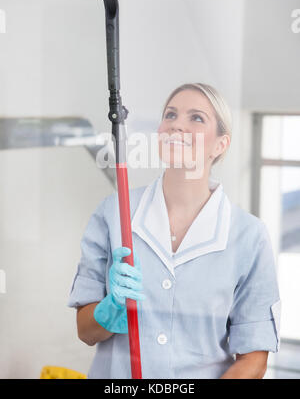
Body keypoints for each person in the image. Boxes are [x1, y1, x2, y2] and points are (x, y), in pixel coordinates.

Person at [68, 82, 281, 379]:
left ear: (220, 144)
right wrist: (110, 308)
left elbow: (254, 359)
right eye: (170, 115)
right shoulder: (114, 213)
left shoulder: (248, 236)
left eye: (196, 118)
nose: (177, 125)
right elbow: (86, 332)